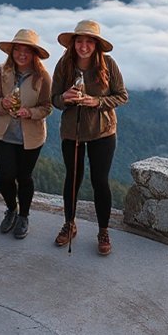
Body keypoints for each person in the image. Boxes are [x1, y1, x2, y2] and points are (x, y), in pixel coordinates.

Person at [51, 20, 128, 255]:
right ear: (73, 43)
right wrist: (65, 97)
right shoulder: (64, 65)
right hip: (72, 131)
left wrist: (98, 102)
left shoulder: (108, 65)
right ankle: (69, 223)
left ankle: (103, 229)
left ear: (96, 45)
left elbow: (122, 96)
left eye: (89, 41)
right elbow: (54, 100)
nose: (83, 46)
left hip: (102, 132)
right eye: (80, 41)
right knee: (72, 178)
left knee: (99, 181)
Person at [0, 29, 53, 239]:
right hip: (4, 134)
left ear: (34, 53)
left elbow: (47, 107)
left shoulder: (42, 77)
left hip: (30, 137)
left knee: (24, 177)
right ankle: (11, 209)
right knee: (6, 177)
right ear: (12, 51)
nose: (21, 54)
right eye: (18, 49)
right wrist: (3, 104)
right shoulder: (0, 72)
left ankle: (24, 215)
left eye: (27, 50)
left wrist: (30, 112)